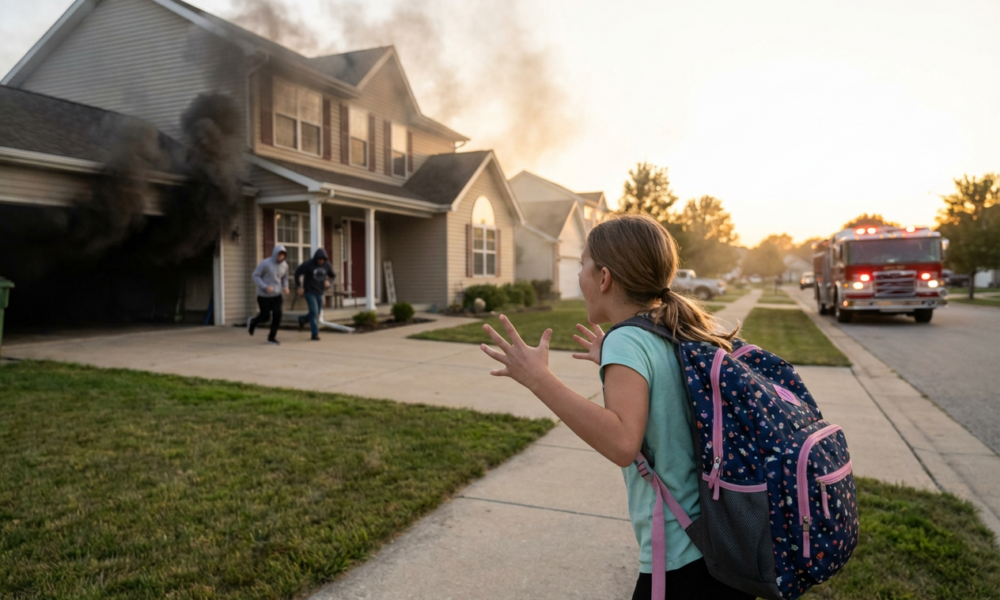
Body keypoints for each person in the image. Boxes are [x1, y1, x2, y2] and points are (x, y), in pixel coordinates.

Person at [479, 214, 753, 600]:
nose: (579, 276)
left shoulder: (628, 341)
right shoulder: (668, 328)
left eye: (582, 266)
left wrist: (537, 378)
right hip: (719, 549)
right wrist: (616, 366)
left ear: (604, 278)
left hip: (680, 558)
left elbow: (623, 442)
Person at [248, 244, 290, 345]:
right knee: (265, 316)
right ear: (275, 254)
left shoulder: (285, 265)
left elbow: (284, 278)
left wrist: (286, 286)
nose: (281, 257)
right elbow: (255, 275)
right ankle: (253, 322)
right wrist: (265, 286)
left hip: (277, 295)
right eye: (279, 255)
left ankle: (271, 337)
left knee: (277, 315)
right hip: (264, 296)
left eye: (283, 255)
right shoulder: (266, 263)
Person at [294, 248, 335, 341]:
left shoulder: (327, 265)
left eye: (323, 260)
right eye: (319, 259)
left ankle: (302, 319)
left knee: (316, 312)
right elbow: (297, 273)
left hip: (320, 292)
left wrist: (329, 282)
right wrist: (299, 286)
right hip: (309, 291)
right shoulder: (308, 264)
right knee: (314, 311)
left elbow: (333, 275)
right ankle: (314, 334)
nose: (321, 261)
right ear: (316, 258)